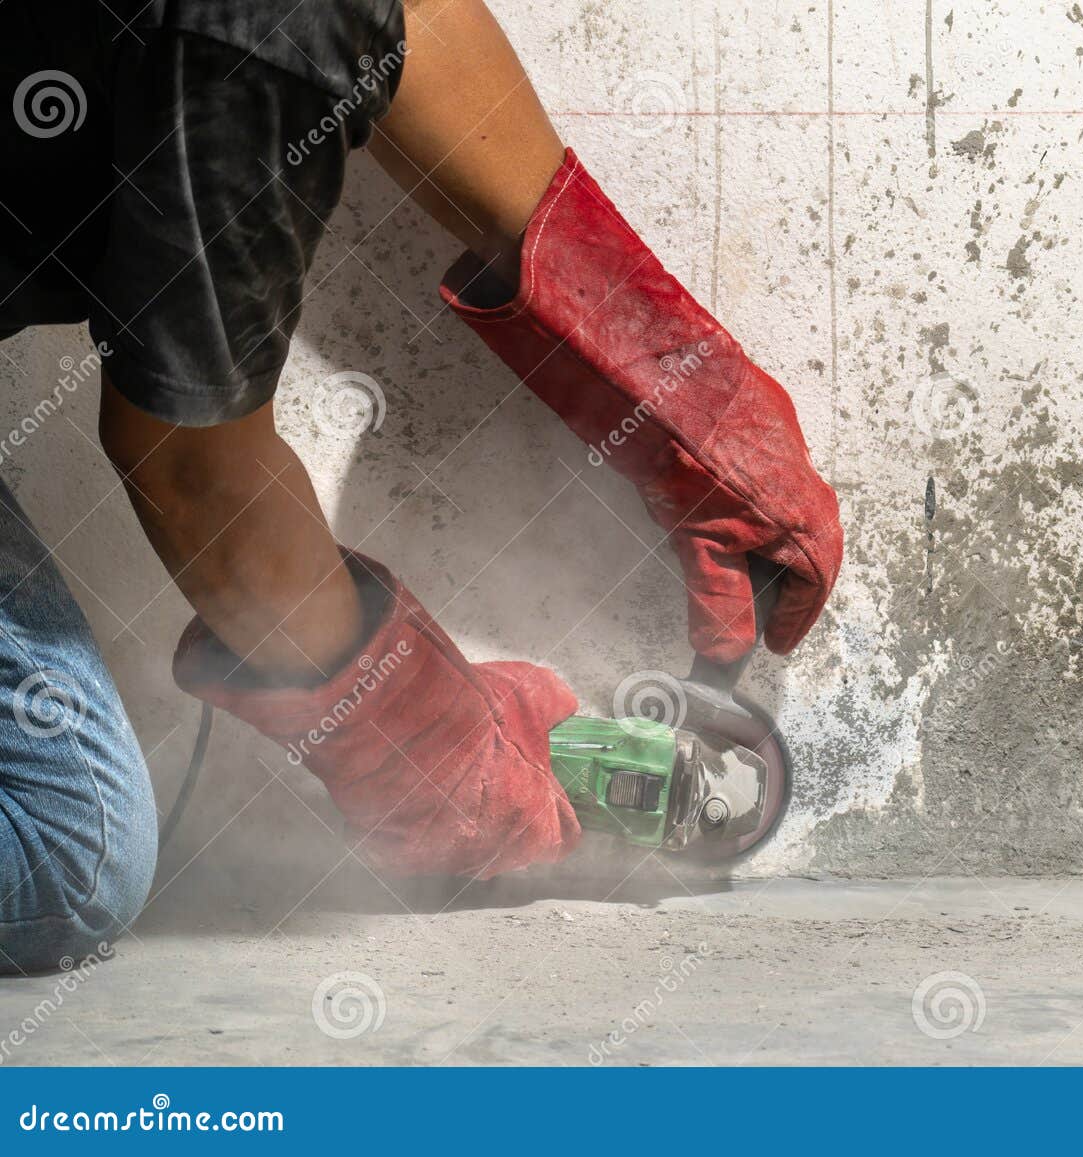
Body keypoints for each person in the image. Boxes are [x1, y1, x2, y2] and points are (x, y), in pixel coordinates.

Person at [0, 0, 842, 973]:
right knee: (75, 855)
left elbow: (399, 21)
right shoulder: (224, 51)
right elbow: (190, 476)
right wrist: (433, 760)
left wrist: (678, 386)